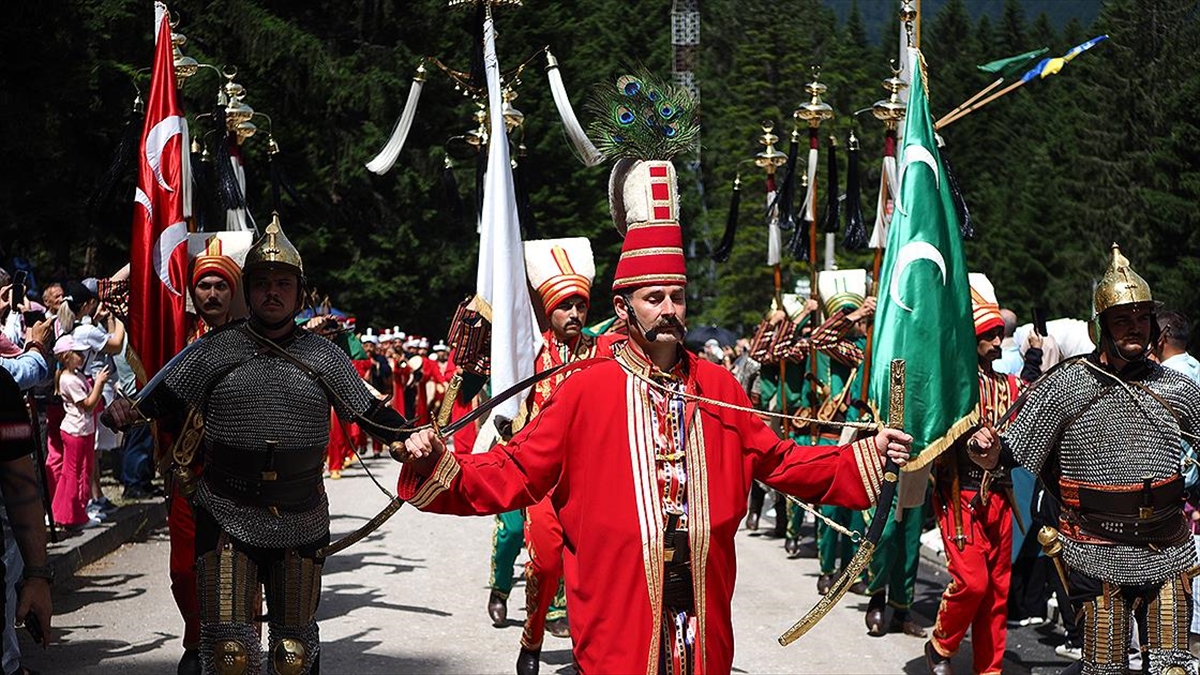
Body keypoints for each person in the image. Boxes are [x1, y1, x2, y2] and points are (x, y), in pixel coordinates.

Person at [397, 154, 912, 673]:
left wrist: (865, 456)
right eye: (654, 297)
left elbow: (782, 462)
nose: (670, 308)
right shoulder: (585, 389)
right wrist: (439, 463)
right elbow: (516, 470)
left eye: (679, 296)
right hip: (617, 617)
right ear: (623, 308)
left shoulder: (718, 386)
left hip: (701, 620)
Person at [105, 217, 409, 675]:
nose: (272, 292)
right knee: (229, 653)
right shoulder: (215, 350)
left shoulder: (324, 355)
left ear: (298, 291)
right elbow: (161, 398)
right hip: (226, 510)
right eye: (262, 283)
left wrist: (408, 435)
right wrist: (129, 411)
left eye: (282, 283)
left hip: (300, 514)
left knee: (294, 653)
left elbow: (368, 409)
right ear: (249, 290)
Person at [968, 244, 1199, 675]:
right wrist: (991, 451)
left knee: (1173, 668)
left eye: (1142, 318)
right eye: (1122, 319)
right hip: (1096, 546)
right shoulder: (1068, 385)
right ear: (1101, 328)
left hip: (1166, 545)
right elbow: (1017, 449)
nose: (1134, 327)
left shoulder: (1178, 388)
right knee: (1105, 668)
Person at [925, 273, 1042, 674]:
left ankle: (988, 669)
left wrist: (1034, 362)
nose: (996, 342)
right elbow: (933, 428)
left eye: (998, 334)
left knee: (996, 590)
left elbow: (1028, 412)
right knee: (972, 582)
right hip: (959, 493)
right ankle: (941, 645)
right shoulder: (952, 385)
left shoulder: (1009, 385)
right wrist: (965, 433)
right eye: (988, 335)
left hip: (1000, 495)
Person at [516, 237, 621, 675]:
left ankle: (585, 650)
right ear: (548, 312)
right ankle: (533, 637)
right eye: (565, 306)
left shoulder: (601, 353)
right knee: (545, 561)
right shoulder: (527, 352)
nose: (575, 314)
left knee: (591, 569)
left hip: (589, 481)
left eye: (580, 305)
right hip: (542, 481)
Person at [808, 272, 875, 595]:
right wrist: (857, 314)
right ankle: (826, 568)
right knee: (830, 511)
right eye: (845, 315)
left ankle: (854, 575)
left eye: (856, 313)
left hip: (868, 443)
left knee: (857, 517)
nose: (855, 321)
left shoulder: (872, 347)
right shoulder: (847, 349)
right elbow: (820, 339)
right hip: (835, 438)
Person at [48, 337, 108, 529]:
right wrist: (99, 384)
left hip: (83, 429)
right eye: (78, 353)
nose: (82, 357)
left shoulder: (76, 376)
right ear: (66, 357)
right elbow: (88, 405)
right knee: (73, 474)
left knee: (83, 471)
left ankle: (74, 511)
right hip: (75, 431)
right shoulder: (68, 380)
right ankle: (70, 515)